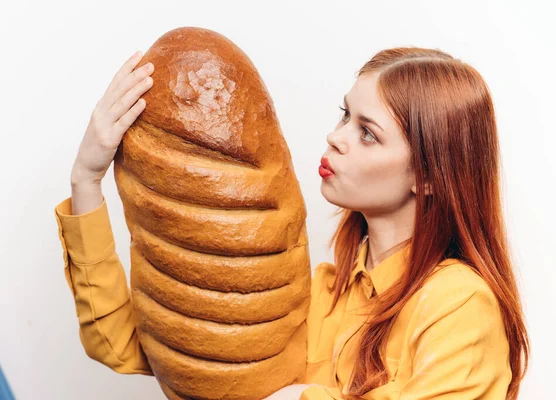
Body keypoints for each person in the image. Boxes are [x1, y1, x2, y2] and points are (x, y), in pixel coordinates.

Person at [54, 48, 530, 400]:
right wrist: (87, 179)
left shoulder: (459, 305)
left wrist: (298, 398)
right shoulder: (320, 292)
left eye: (367, 133)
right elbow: (122, 342)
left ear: (428, 177)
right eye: (345, 116)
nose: (335, 137)